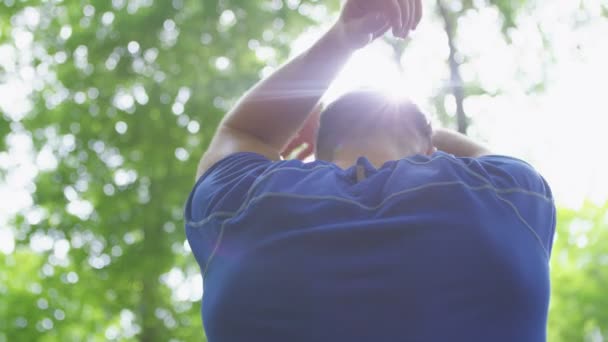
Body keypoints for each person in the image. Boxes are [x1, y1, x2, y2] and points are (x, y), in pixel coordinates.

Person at [184, 0, 556, 340]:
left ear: (315, 152)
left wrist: (342, 38)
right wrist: (426, 131)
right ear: (431, 149)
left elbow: (244, 133)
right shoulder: (508, 198)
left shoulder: (245, 205)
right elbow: (485, 157)